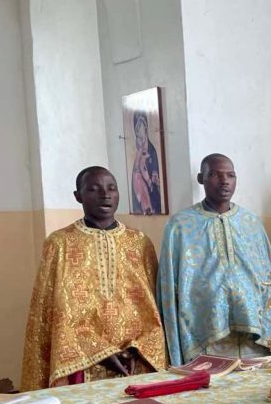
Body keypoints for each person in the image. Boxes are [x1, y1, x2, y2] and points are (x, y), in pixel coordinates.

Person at [21, 166, 166, 390]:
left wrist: (139, 347)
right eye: (93, 189)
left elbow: (154, 304)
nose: (105, 195)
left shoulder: (139, 242)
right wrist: (98, 351)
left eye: (111, 188)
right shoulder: (60, 243)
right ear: (78, 196)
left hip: (138, 356)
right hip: (81, 361)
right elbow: (50, 311)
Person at [158, 153, 271, 365]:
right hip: (206, 340)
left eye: (231, 175)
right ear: (201, 178)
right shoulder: (180, 226)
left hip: (253, 342)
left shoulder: (251, 223)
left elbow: (270, 280)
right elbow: (168, 288)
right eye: (215, 175)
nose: (224, 181)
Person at [131, 111, 162, 215]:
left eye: (141, 128)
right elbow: (135, 177)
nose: (140, 134)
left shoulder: (152, 152)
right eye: (137, 130)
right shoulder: (138, 154)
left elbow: (155, 179)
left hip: (152, 194)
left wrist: (151, 180)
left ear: (146, 128)